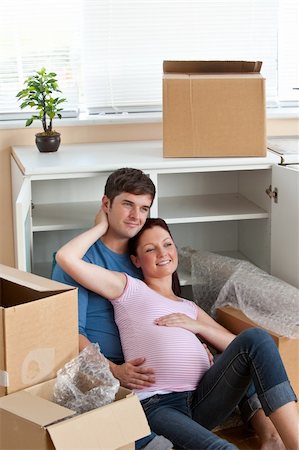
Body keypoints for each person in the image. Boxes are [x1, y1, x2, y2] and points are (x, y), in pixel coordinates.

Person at [56, 214, 299, 450]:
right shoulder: (128, 288)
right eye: (150, 249)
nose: (162, 253)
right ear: (136, 260)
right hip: (159, 404)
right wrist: (101, 226)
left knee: (257, 339)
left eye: (167, 244)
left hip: (203, 398)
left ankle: (286, 440)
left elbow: (240, 346)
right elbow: (66, 257)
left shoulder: (189, 307)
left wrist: (198, 326)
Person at [52, 168, 172, 450]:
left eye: (144, 208)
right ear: (106, 205)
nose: (136, 216)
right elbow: (69, 334)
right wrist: (116, 371)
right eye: (127, 204)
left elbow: (166, 304)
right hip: (108, 374)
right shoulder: (78, 260)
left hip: (156, 370)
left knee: (241, 355)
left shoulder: (143, 254)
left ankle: (271, 438)